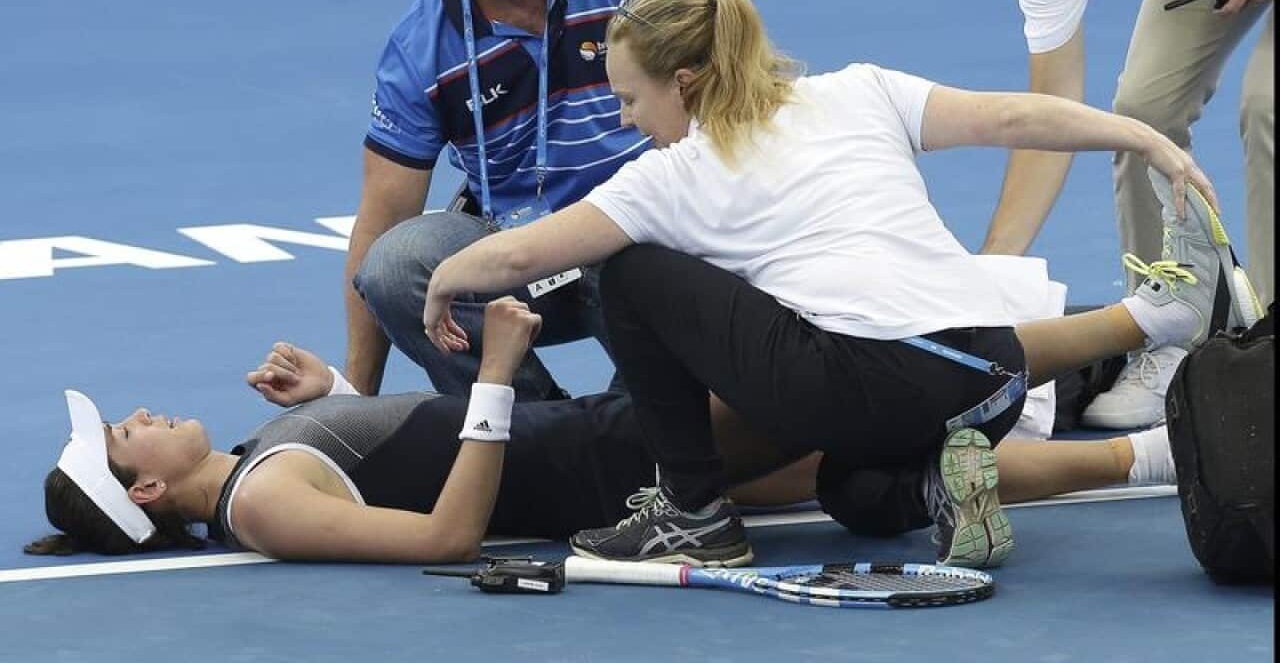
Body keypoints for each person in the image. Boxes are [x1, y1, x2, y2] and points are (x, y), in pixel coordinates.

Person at [421, 0, 1263, 569]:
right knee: (848, 488)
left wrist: (440, 276)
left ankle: (694, 515)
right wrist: (1143, 137)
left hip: (867, 378)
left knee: (630, 273)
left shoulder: (670, 178)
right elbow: (1011, 114)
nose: (628, 121)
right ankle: (932, 480)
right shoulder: (861, 90)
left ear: (684, 84)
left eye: (631, 101)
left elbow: (528, 254)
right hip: (996, 372)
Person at [24, 296, 1179, 561]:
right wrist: (500, 379)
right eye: (123, 441)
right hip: (612, 460)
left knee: (885, 470)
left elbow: (405, 449)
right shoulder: (265, 504)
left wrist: (334, 386)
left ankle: (1150, 450)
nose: (135, 416)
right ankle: (1151, 319)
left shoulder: (263, 454)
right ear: (149, 497)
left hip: (598, 439)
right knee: (877, 363)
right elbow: (443, 539)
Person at [345, 0, 712, 403]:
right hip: (526, 252)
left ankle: (643, 427)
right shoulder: (421, 49)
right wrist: (354, 400)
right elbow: (383, 219)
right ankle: (534, 439)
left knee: (659, 425)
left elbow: (736, 90)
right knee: (395, 268)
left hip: (648, 236)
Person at [986, 0, 1273, 430]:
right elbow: (1051, 114)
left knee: (1267, 106)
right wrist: (987, 271)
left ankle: (1268, 347)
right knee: (1143, 114)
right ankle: (1169, 328)